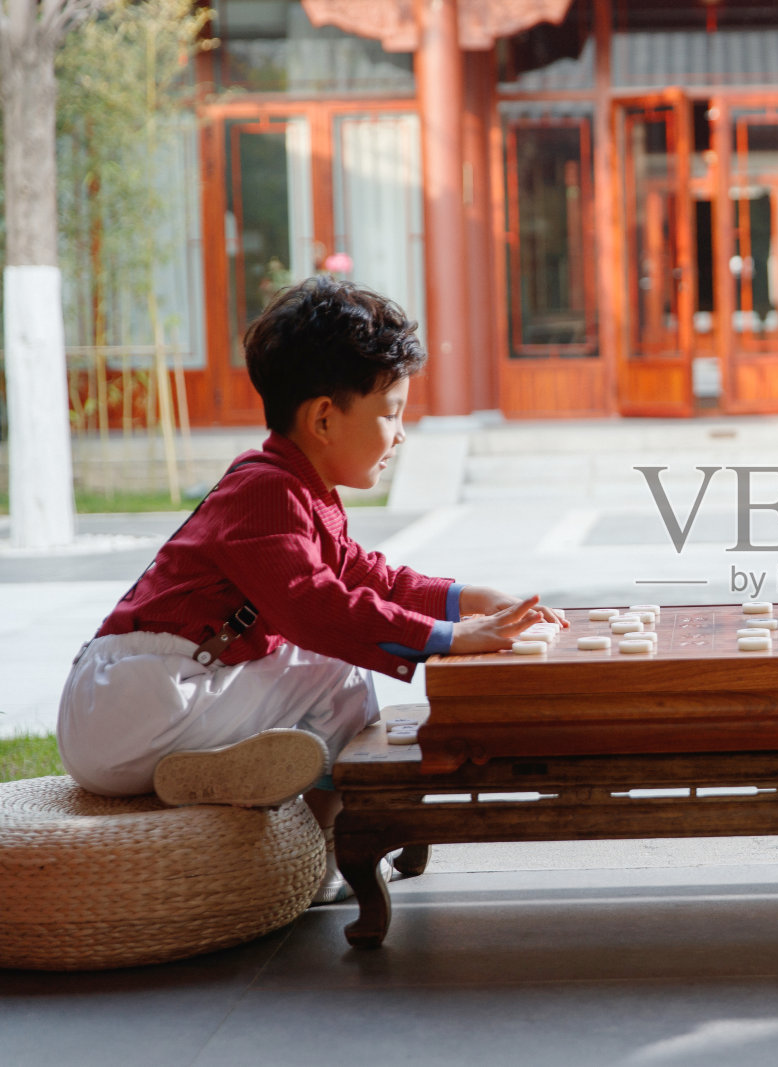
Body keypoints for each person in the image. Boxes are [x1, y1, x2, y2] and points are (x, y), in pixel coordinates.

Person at [57, 277, 565, 903]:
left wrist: (465, 597)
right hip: (132, 703)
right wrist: (447, 638)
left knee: (327, 659)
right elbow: (318, 607)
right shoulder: (265, 492)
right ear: (324, 417)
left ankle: (212, 771)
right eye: (392, 412)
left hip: (143, 711)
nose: (401, 434)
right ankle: (343, 843)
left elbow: (367, 577)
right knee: (333, 665)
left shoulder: (292, 490)